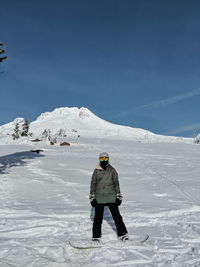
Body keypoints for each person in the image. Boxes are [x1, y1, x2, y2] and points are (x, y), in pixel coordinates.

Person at [89, 152, 128, 242]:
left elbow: (116, 183)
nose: (104, 160)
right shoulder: (96, 171)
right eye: (102, 159)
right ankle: (96, 236)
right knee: (98, 218)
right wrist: (92, 197)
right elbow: (93, 184)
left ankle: (123, 234)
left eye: (105, 159)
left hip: (111, 197)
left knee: (117, 217)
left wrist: (119, 196)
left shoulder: (112, 170)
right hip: (99, 197)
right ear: (99, 159)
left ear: (108, 159)